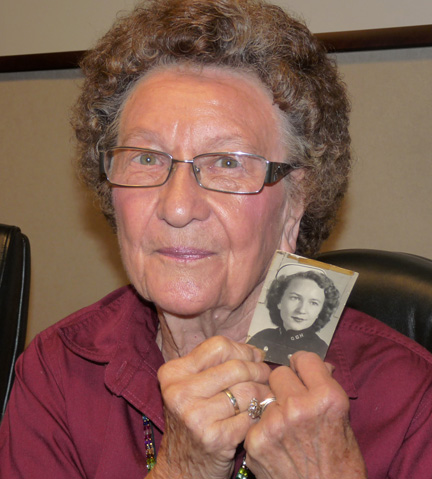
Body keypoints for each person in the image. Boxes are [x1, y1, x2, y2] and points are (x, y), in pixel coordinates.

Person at [1, 0, 432, 477]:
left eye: (227, 162)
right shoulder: (58, 373)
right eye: (145, 158)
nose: (177, 207)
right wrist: (181, 470)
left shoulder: (408, 399)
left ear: (295, 201)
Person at [248, 270, 340, 363]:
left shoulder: (321, 350)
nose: (301, 310)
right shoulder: (262, 336)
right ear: (279, 301)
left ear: (321, 311)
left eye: (313, 303)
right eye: (295, 298)